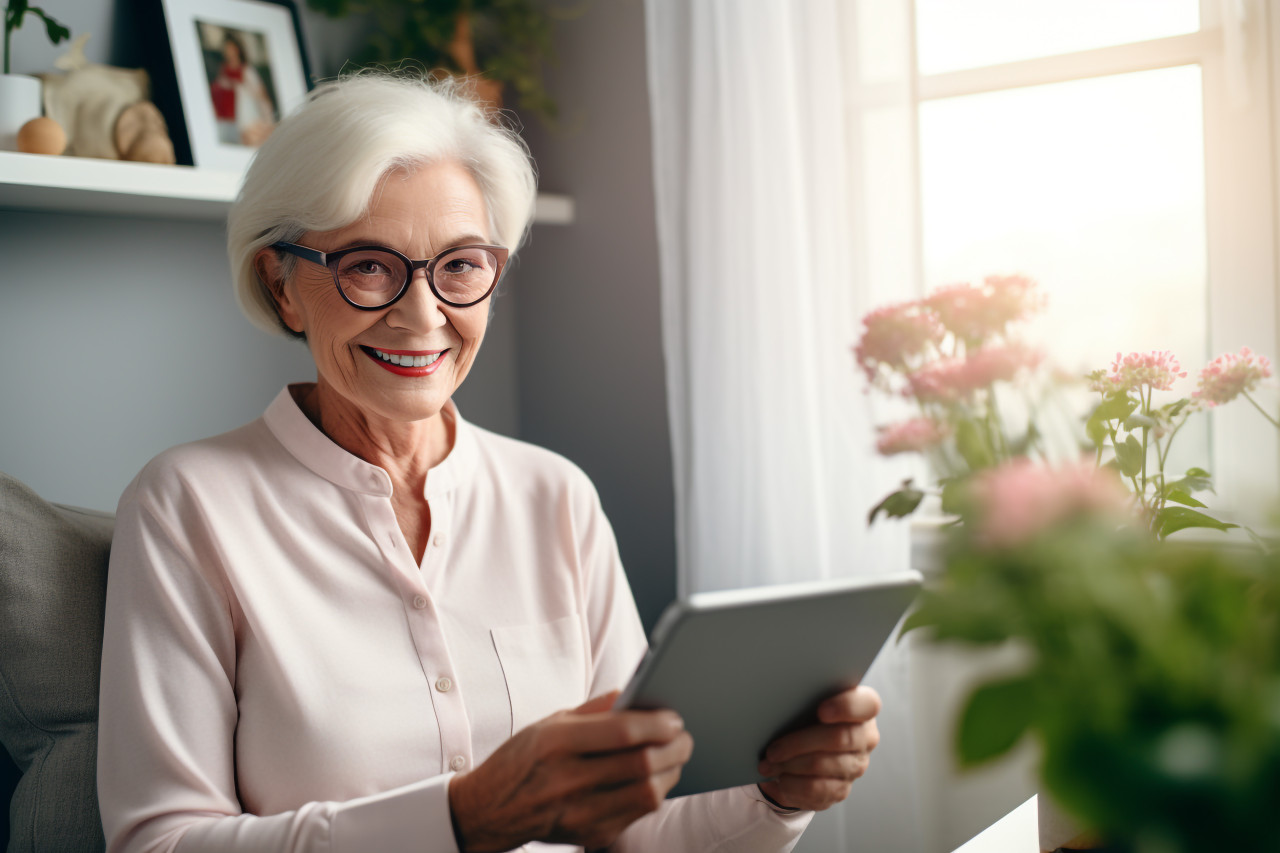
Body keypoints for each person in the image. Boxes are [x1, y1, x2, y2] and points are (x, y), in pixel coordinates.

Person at [96, 72, 882, 853]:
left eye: (461, 265)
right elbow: (160, 841)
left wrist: (776, 795)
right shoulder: (188, 503)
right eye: (369, 265)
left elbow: (645, 824)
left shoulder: (555, 495)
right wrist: (466, 817)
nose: (423, 313)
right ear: (283, 285)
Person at [208, 32, 276, 147]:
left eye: (231, 48)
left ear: (237, 49)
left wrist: (267, 116)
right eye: (226, 49)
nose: (229, 52)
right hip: (231, 112)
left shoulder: (246, 70)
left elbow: (259, 92)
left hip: (246, 108)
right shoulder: (223, 70)